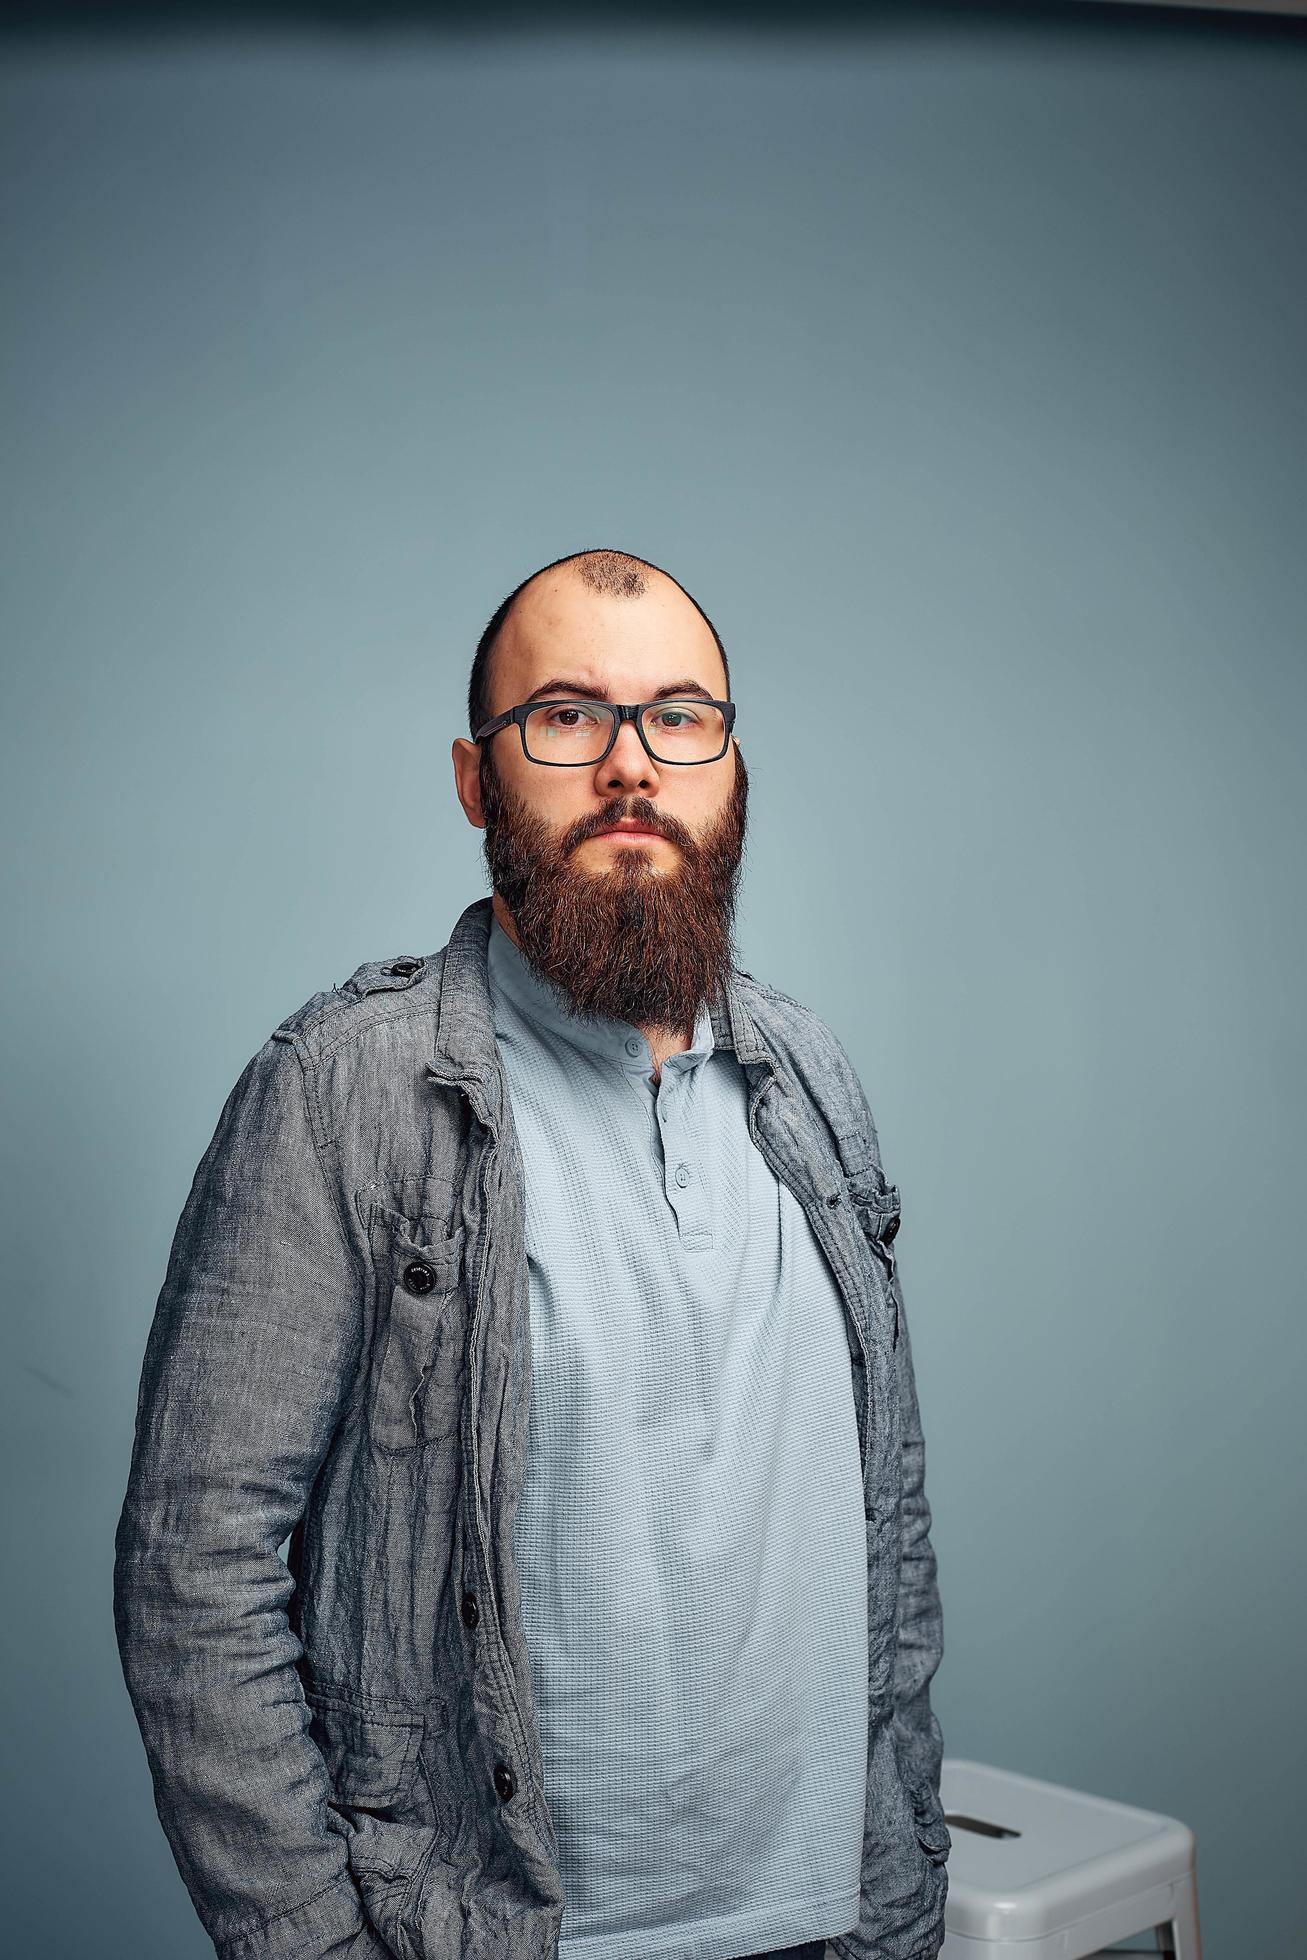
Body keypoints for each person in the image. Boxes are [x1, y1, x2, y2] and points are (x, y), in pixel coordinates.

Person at [114, 548, 949, 1960]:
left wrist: (906, 1886)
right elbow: (195, 1570)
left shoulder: (811, 1078)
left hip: (830, 1931)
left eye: (681, 717)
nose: (633, 764)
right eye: (566, 715)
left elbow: (893, 1527)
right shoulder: (343, 1092)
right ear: (474, 779)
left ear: (730, 770)